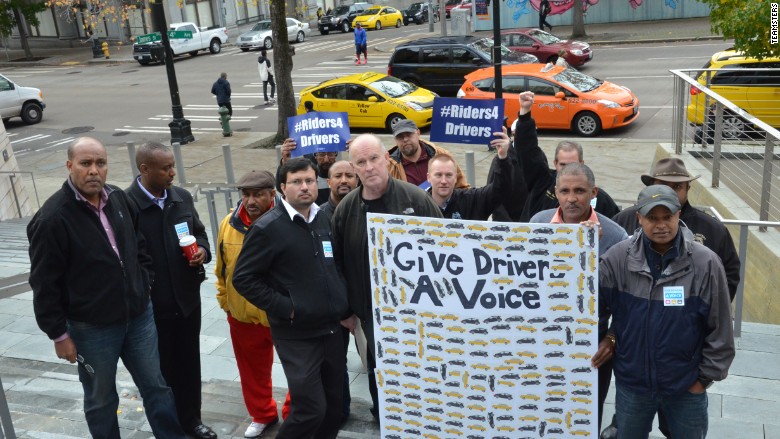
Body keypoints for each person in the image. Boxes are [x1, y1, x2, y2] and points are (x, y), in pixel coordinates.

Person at [28, 137, 187, 439]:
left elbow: (138, 244)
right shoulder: (52, 219)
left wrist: (145, 282)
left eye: (100, 163)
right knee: (101, 399)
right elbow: (44, 283)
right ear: (69, 166)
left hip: (139, 317)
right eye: (85, 163)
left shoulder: (117, 198)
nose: (94, 171)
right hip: (92, 329)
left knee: (157, 386)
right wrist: (59, 334)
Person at [602, 157, 741, 439]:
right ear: (638, 218)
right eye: (652, 217)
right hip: (633, 387)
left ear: (679, 214)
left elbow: (721, 328)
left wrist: (702, 380)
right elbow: (593, 307)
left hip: (685, 388)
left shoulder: (706, 262)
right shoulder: (617, 257)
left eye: (668, 217)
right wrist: (612, 338)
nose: (661, 225)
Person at [232, 158, 349, 439]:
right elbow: (243, 279)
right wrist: (288, 308)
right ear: (283, 187)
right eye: (297, 182)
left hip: (332, 329)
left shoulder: (324, 218)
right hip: (297, 335)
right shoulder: (267, 228)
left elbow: (336, 266)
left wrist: (345, 305)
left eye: (309, 181)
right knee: (310, 408)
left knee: (334, 408)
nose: (305, 187)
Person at [331, 134, 443, 420]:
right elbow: (337, 264)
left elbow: (445, 251)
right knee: (377, 372)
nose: (369, 167)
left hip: (416, 314)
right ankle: (384, 418)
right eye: (361, 162)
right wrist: (346, 311)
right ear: (354, 168)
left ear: (387, 160)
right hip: (367, 316)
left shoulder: (416, 200)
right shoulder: (345, 210)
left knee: (419, 372)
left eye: (374, 159)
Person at [125, 142, 216, 439]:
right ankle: (170, 428)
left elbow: (200, 233)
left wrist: (202, 250)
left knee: (189, 364)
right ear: (144, 170)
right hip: (152, 309)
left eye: (173, 166)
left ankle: (193, 421)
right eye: (166, 168)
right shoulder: (127, 206)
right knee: (161, 373)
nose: (173, 173)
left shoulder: (181, 198)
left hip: (187, 301)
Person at [529, 162, 628, 431]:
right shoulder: (537, 224)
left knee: (585, 420)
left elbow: (629, 299)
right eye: (565, 191)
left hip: (592, 346)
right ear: (556, 192)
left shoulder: (617, 236)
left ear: (594, 192)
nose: (571, 198)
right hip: (541, 342)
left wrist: (612, 337)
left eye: (580, 191)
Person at [215, 170, 290, 438]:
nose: (250, 200)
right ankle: (262, 414)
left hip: (281, 315)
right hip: (242, 317)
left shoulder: (289, 222)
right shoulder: (227, 223)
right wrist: (225, 301)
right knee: (251, 371)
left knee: (297, 370)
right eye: (246, 194)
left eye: (258, 194)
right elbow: (222, 268)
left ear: (273, 194)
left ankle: (293, 417)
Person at [513, 91, 620, 221]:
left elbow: (618, 229)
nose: (571, 199)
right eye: (563, 164)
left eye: (579, 191)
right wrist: (525, 113)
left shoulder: (601, 199)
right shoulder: (542, 181)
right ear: (555, 164)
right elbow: (527, 151)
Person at [317, 159, 359, 424]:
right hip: (334, 307)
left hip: (364, 302)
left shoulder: (365, 210)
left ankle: (381, 410)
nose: (344, 180)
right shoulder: (318, 216)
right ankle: (339, 410)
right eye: (338, 176)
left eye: (349, 176)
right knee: (334, 362)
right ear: (329, 182)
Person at [427, 132, 513, 220]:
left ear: (456, 177)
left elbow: (500, 189)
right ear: (429, 177)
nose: (444, 181)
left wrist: (503, 158)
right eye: (438, 175)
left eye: (449, 175)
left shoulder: (472, 201)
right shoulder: (419, 204)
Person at [389, 119, 469, 189]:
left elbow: (461, 186)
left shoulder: (441, 154)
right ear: (395, 140)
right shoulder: (389, 166)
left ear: (418, 134)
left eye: (409, 135)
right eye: (400, 137)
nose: (405, 139)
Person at [279, 138, 336, 205]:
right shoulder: (305, 175)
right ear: (315, 156)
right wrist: (285, 161)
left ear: (335, 155)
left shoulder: (345, 176)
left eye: (330, 154)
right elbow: (283, 189)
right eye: (321, 154)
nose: (326, 160)